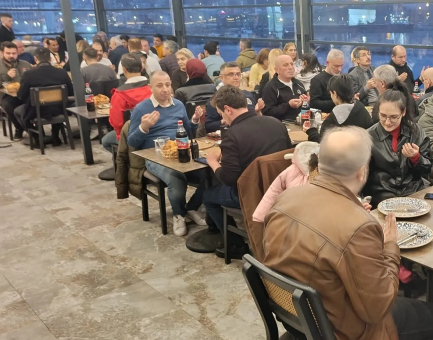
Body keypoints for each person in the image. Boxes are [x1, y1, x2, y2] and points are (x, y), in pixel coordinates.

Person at [259, 126, 433, 340]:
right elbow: (376, 309)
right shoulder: (359, 224)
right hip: (336, 336)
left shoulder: (287, 198)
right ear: (362, 172)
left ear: (319, 163)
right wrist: (390, 247)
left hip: (295, 320)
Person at [203, 85, 292, 254]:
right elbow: (286, 156)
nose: (223, 120)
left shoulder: (233, 134)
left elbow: (229, 178)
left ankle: (236, 245)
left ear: (228, 109)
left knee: (208, 196)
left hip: (253, 194)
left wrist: (213, 162)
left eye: (221, 114)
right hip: (283, 188)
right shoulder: (275, 123)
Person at [127, 71, 207, 237]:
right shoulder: (141, 108)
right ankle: (179, 214)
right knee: (176, 178)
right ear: (150, 87)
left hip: (180, 152)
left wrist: (194, 120)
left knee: (210, 172)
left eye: (168, 85)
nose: (165, 89)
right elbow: (132, 142)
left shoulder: (178, 104)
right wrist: (144, 127)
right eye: (160, 85)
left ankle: (191, 208)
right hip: (155, 157)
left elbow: (187, 132)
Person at [366, 88, 431, 207]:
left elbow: (427, 169)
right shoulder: (368, 136)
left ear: (403, 112)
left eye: (394, 117)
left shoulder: (416, 131)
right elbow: (361, 175)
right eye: (383, 116)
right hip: (382, 195)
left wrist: (416, 158)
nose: (387, 122)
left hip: (414, 191)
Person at [14, 47, 73, 146]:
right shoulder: (62, 72)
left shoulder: (29, 75)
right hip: (60, 109)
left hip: (36, 110)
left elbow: (21, 95)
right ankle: (55, 136)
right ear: (50, 58)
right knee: (56, 105)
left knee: (17, 111)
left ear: (35, 59)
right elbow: (70, 91)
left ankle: (38, 138)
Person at [252, 142, 319, 223]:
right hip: (292, 221)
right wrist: (261, 215)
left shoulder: (329, 178)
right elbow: (274, 191)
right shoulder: (294, 170)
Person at [102, 53, 152, 154]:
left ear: (124, 70)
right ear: (142, 67)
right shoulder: (153, 88)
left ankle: (127, 159)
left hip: (130, 136)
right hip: (156, 131)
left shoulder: (119, 94)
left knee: (105, 141)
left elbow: (116, 123)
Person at [304, 73, 374, 142]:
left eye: (331, 94)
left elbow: (323, 143)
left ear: (335, 94)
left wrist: (311, 131)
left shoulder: (332, 121)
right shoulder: (363, 111)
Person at [205, 62, 263, 133]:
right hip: (231, 134)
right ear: (221, 78)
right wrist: (225, 120)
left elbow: (257, 119)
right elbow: (209, 126)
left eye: (238, 74)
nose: (236, 77)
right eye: (231, 74)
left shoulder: (247, 94)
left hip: (253, 131)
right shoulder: (216, 99)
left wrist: (257, 112)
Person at [0, 41, 33, 139]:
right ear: (2, 53)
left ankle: (34, 128)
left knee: (35, 101)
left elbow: (33, 79)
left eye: (14, 53)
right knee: (8, 105)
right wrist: (7, 76)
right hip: (6, 95)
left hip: (25, 93)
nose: (11, 56)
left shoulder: (25, 64)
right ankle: (20, 127)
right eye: (8, 53)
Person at [261, 54, 307, 121]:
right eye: (285, 65)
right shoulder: (270, 87)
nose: (290, 67)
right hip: (282, 124)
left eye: (291, 64)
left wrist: (306, 101)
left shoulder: (299, 84)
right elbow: (267, 113)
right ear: (277, 70)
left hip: (301, 122)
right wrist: (288, 105)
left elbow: (306, 108)